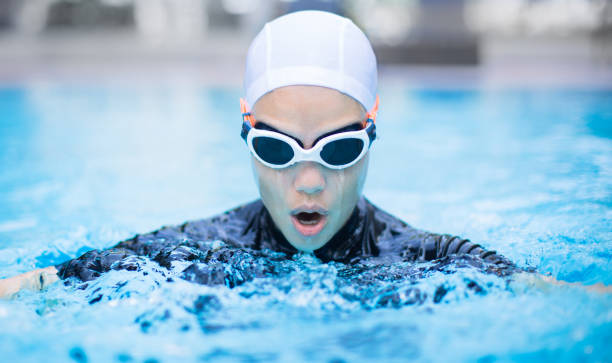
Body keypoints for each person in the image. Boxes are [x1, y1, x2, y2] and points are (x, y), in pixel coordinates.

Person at [0, 10, 609, 298]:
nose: (310, 180)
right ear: (245, 132)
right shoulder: (196, 248)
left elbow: (559, 296)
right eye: (276, 148)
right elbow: (40, 285)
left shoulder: (427, 257)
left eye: (339, 148)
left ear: (372, 135)